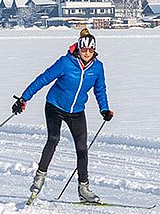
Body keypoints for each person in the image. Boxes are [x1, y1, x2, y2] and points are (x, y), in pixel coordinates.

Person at [12, 28, 114, 203]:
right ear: (78, 48)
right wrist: (23, 98)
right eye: (84, 49)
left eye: (90, 50)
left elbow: (100, 90)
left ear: (94, 50)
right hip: (55, 106)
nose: (87, 53)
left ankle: (84, 189)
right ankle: (39, 180)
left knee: (82, 149)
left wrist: (104, 109)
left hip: (76, 111)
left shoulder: (98, 68)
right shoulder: (65, 63)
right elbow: (43, 79)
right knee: (53, 139)